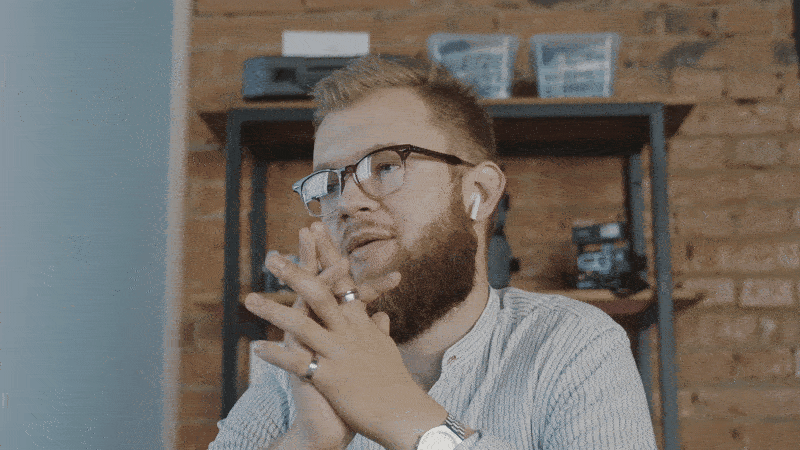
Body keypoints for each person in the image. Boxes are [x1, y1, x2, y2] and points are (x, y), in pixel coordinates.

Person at [209, 55, 657, 450]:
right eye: (328, 184)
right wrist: (308, 442)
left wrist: (402, 415)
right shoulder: (301, 365)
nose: (345, 202)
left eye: (386, 165)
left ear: (479, 192)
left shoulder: (571, 343)